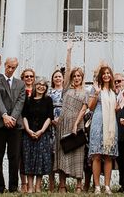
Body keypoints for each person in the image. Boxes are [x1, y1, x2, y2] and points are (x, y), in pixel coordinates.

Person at [0, 57, 27, 193]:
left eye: (13, 68)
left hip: (15, 125)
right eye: (8, 67)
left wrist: (13, 118)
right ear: (4, 65)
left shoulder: (21, 84)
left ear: (16, 68)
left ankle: (13, 187)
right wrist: (4, 116)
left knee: (14, 156)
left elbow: (20, 103)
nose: (10, 70)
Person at [53, 67, 89, 190]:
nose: (76, 78)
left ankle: (79, 185)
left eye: (79, 76)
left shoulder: (85, 92)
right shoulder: (67, 89)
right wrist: (69, 51)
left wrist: (75, 124)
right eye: (74, 76)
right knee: (63, 152)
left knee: (78, 154)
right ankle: (62, 185)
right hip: (63, 124)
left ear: (82, 78)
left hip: (77, 124)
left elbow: (84, 109)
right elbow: (67, 70)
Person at [88, 65, 119, 193]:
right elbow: (90, 107)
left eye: (108, 73)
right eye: (104, 73)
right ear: (101, 76)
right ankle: (96, 186)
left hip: (111, 124)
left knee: (108, 155)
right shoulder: (96, 89)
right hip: (98, 122)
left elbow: (116, 108)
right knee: (96, 155)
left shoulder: (114, 91)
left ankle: (107, 186)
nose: (106, 75)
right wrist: (96, 93)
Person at [22, 77, 55, 193]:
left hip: (43, 133)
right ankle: (30, 187)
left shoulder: (48, 100)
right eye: (39, 84)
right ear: (35, 86)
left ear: (46, 88)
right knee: (29, 159)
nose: (41, 87)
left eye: (44, 85)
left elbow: (50, 117)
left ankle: (38, 187)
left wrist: (41, 131)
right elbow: (24, 116)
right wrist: (28, 130)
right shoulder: (28, 100)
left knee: (40, 160)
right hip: (29, 134)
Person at [48, 43, 71, 193]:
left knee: (62, 152)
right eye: (55, 76)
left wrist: (68, 52)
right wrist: (51, 120)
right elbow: (45, 108)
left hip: (64, 122)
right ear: (53, 79)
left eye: (60, 76)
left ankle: (62, 184)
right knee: (51, 153)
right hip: (51, 123)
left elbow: (69, 70)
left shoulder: (66, 90)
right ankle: (50, 183)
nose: (58, 78)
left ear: (63, 79)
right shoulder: (48, 91)